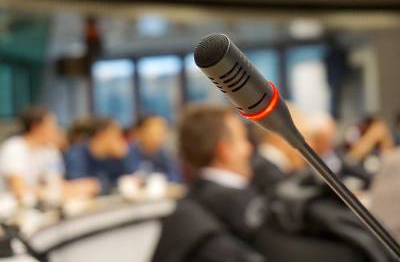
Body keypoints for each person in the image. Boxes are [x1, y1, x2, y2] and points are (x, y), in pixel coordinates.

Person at [175, 104, 388, 262]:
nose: (250, 149)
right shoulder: (224, 201)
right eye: (242, 140)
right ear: (225, 150)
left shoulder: (207, 200)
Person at [0, 107, 78, 203]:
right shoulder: (14, 148)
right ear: (36, 127)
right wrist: (50, 192)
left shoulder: (49, 150)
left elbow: (56, 184)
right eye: (52, 125)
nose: (56, 129)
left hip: (40, 205)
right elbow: (19, 190)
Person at [64, 117, 130, 195]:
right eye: (115, 135)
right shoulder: (76, 154)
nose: (119, 140)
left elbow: (124, 181)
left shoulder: (110, 157)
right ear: (101, 134)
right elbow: (78, 187)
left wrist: (123, 157)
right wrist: (100, 185)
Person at [126, 115, 181, 182]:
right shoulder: (129, 151)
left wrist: (161, 180)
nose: (157, 138)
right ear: (141, 132)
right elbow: (129, 173)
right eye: (153, 133)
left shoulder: (166, 154)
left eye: (161, 133)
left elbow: (175, 176)